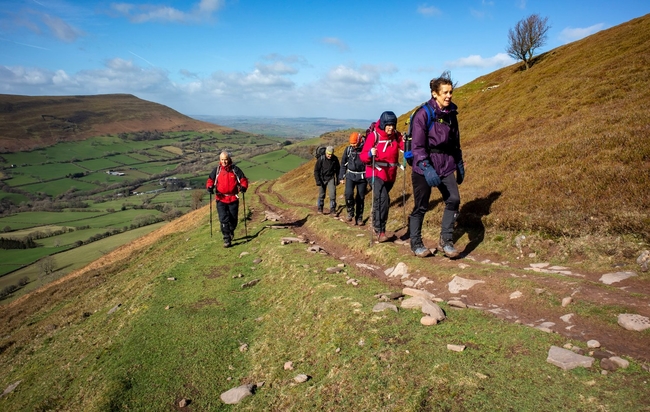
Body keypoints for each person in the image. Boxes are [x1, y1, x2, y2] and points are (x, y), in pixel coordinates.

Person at [409, 72, 465, 258]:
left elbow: (455, 142)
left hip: (446, 164)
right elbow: (417, 146)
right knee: (422, 205)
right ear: (435, 93)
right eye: (445, 92)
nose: (449, 96)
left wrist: (459, 162)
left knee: (454, 199)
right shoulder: (423, 114)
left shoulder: (451, 115)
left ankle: (445, 241)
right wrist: (426, 167)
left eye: (450, 92)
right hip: (424, 166)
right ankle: (416, 243)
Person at [359, 111, 404, 242]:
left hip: (390, 174)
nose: (391, 127)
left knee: (380, 200)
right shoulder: (374, 136)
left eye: (393, 125)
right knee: (384, 199)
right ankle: (380, 231)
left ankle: (375, 222)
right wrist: (369, 153)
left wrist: (409, 144)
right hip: (374, 172)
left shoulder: (396, 135)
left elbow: (405, 147)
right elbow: (362, 156)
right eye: (388, 125)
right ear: (383, 124)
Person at [206, 151, 249, 248]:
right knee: (223, 219)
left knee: (233, 219)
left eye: (226, 159)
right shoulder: (216, 171)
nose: (224, 162)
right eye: (222, 160)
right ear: (219, 160)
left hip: (233, 198)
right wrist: (209, 187)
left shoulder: (235, 170)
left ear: (229, 159)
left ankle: (231, 231)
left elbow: (243, 180)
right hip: (220, 198)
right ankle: (226, 238)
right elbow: (210, 180)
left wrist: (243, 187)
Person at [339, 132, 368, 225]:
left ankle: (359, 218)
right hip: (350, 175)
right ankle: (350, 212)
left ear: (359, 140)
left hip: (362, 177)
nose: (353, 145)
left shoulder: (365, 148)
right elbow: (343, 163)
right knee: (348, 194)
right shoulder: (348, 150)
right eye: (351, 144)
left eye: (354, 143)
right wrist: (341, 176)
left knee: (360, 197)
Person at [314, 146, 340, 215]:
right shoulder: (321, 159)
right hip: (322, 179)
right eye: (328, 154)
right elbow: (316, 170)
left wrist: (338, 179)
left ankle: (333, 209)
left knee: (332, 194)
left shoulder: (335, 159)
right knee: (321, 194)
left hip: (331, 178)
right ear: (326, 153)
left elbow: (338, 170)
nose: (329, 156)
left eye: (331, 154)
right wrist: (318, 180)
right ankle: (320, 208)